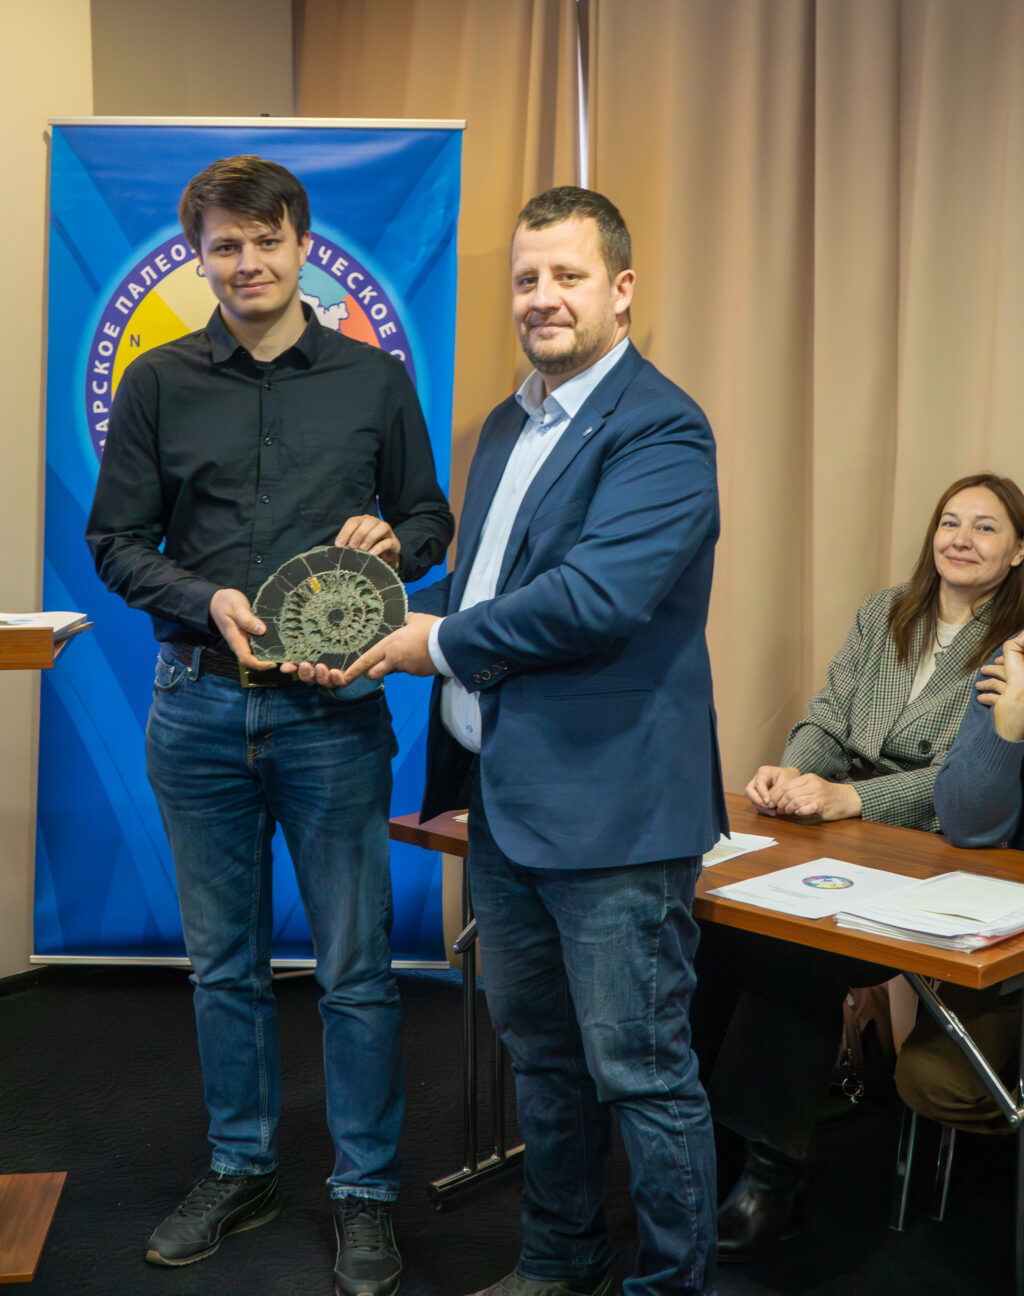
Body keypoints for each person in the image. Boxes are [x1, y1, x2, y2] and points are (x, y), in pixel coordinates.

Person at [337, 185, 726, 1296]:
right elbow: (488, 586)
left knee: (641, 1072)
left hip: (614, 817)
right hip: (504, 803)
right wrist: (373, 618)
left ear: (622, 289)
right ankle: (559, 1260)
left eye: (566, 275)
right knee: (542, 1063)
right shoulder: (510, 424)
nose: (542, 297)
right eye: (525, 278)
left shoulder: (662, 427)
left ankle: (671, 1286)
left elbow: (597, 599)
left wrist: (431, 643)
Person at [85, 155, 454, 1293]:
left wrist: (398, 542)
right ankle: (241, 1169)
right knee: (224, 968)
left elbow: (429, 519)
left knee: (355, 971)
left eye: (265, 240)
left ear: (302, 244)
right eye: (224, 246)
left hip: (332, 717)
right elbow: (114, 544)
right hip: (196, 709)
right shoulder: (155, 383)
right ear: (199, 258)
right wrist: (205, 598)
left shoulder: (372, 379)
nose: (246, 262)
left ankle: (366, 1193)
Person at [701, 472, 1024, 1261]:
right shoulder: (885, 612)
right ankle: (708, 1148)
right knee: (717, 933)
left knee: (796, 955)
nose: (961, 539)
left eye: (985, 528)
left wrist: (850, 797)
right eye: (950, 522)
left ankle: (771, 1178)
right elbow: (827, 715)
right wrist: (793, 773)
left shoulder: (1014, 647)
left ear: (1019, 552)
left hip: (943, 848)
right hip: (839, 830)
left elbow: (962, 784)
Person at [894, 628, 1024, 1129]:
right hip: (1012, 945)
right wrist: (1009, 725)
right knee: (933, 1078)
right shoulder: (1011, 661)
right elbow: (966, 824)